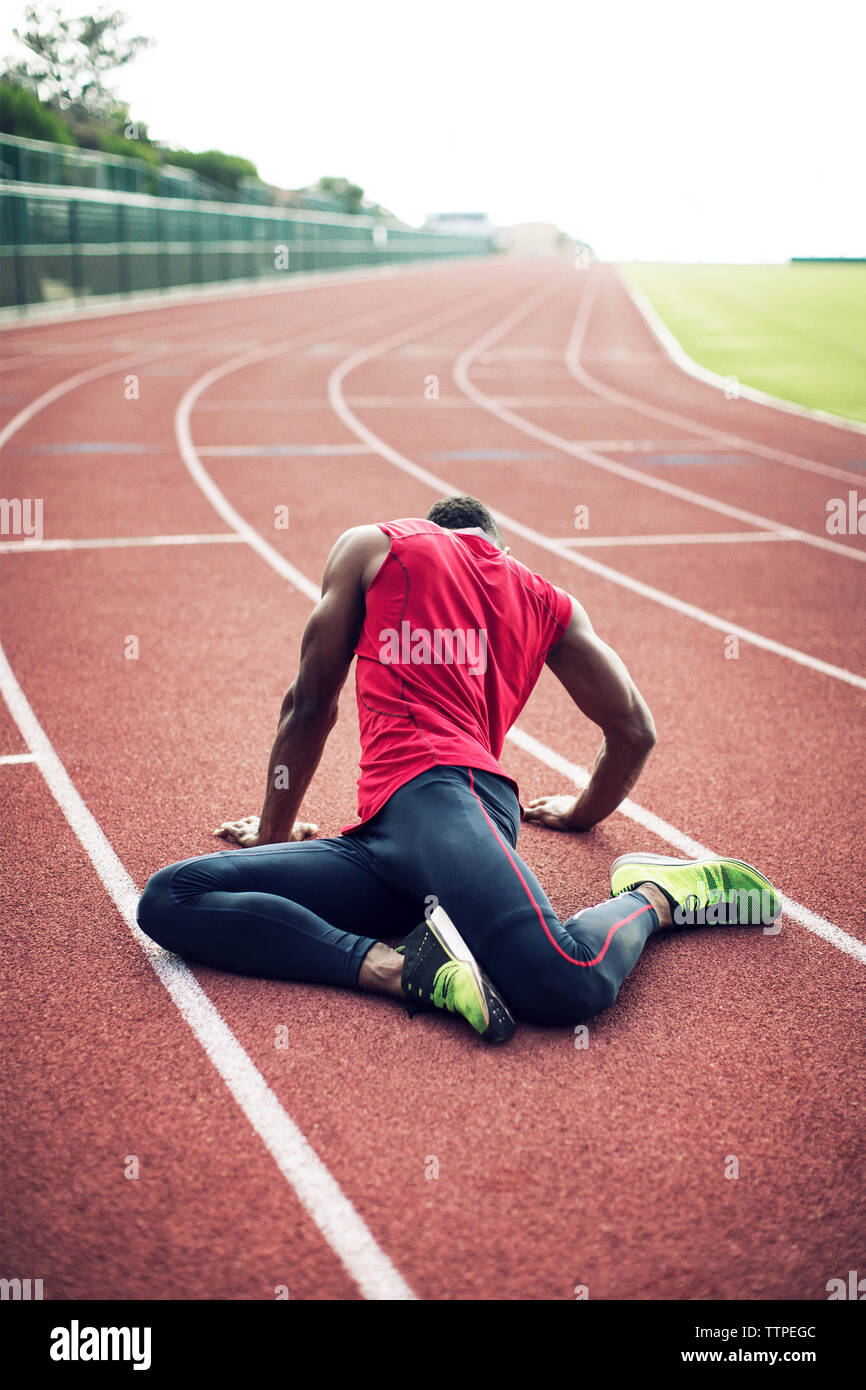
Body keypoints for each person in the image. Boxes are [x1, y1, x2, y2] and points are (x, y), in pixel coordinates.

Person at [137, 495, 779, 1043]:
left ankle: (659, 896)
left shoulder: (374, 546)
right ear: (494, 544)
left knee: (566, 981)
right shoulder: (547, 600)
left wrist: (273, 831)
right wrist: (582, 812)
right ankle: (403, 967)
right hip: (391, 838)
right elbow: (634, 731)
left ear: (436, 526)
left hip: (446, 801)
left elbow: (309, 706)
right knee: (169, 898)